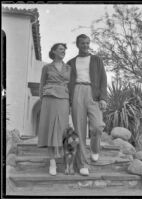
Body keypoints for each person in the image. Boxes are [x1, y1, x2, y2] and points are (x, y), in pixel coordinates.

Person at [67, 34, 107, 176]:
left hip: (93, 92)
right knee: (79, 130)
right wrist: (68, 101)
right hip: (77, 91)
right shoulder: (71, 62)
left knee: (97, 126)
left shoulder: (96, 60)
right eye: (82, 43)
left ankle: (95, 149)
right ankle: (83, 164)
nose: (85, 45)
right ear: (77, 44)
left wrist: (103, 98)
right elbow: (67, 83)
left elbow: (103, 79)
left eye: (87, 43)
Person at [38, 43, 70, 175]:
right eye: (61, 49)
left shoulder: (69, 68)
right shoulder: (46, 67)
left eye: (64, 50)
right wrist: (42, 100)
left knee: (62, 129)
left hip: (63, 99)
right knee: (50, 128)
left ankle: (66, 162)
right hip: (49, 98)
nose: (63, 52)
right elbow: (41, 84)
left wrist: (72, 102)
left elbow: (71, 85)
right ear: (54, 51)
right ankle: (52, 163)